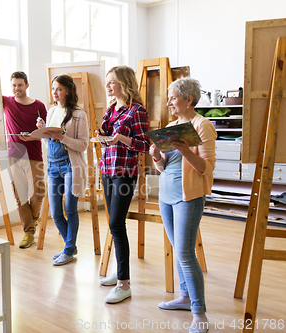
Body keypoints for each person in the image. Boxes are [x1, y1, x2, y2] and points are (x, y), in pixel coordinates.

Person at [149, 77, 216, 333]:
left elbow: (205, 168)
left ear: (188, 100)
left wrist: (186, 149)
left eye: (173, 98)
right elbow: (164, 166)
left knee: (186, 253)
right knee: (178, 249)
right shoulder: (171, 126)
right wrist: (157, 157)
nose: (169, 102)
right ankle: (186, 297)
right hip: (166, 195)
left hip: (189, 196)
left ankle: (200, 315)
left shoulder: (202, 125)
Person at [0, 54, 47, 249]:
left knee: (38, 193)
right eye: (14, 86)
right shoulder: (7, 102)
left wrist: (35, 134)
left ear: (27, 85)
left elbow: (46, 132)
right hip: (14, 155)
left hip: (34, 154)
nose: (16, 89)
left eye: (20, 85)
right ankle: (29, 231)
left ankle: (32, 220)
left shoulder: (39, 105)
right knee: (20, 194)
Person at [97, 66, 149, 303]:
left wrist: (121, 139)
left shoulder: (136, 110)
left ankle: (123, 284)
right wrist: (100, 136)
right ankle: (120, 274)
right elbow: (106, 136)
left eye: (112, 82)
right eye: (107, 83)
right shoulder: (111, 109)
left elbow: (144, 145)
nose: (108, 87)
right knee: (113, 223)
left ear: (125, 84)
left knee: (117, 223)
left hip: (125, 173)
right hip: (107, 170)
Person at [37, 74, 88, 266]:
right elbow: (47, 142)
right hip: (52, 166)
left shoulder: (78, 114)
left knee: (70, 209)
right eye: (53, 89)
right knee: (56, 212)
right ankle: (70, 246)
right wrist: (43, 130)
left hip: (69, 165)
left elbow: (83, 145)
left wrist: (62, 137)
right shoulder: (51, 111)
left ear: (67, 90)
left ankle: (68, 250)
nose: (55, 93)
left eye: (58, 89)